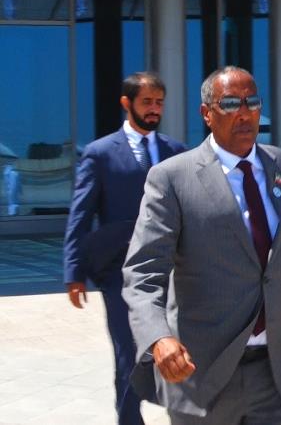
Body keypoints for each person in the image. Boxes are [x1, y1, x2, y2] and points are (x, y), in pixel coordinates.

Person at [122, 66, 281, 424]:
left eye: (252, 102)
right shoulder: (172, 178)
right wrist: (158, 338)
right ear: (206, 114)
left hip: (279, 376)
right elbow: (143, 273)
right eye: (229, 104)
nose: (244, 113)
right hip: (204, 375)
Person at [62, 72, 186, 425]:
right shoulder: (100, 154)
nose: (154, 109)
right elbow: (80, 215)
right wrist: (74, 272)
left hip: (173, 269)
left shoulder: (177, 153)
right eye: (147, 102)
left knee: (180, 348)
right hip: (120, 271)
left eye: (159, 102)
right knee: (128, 354)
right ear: (126, 103)